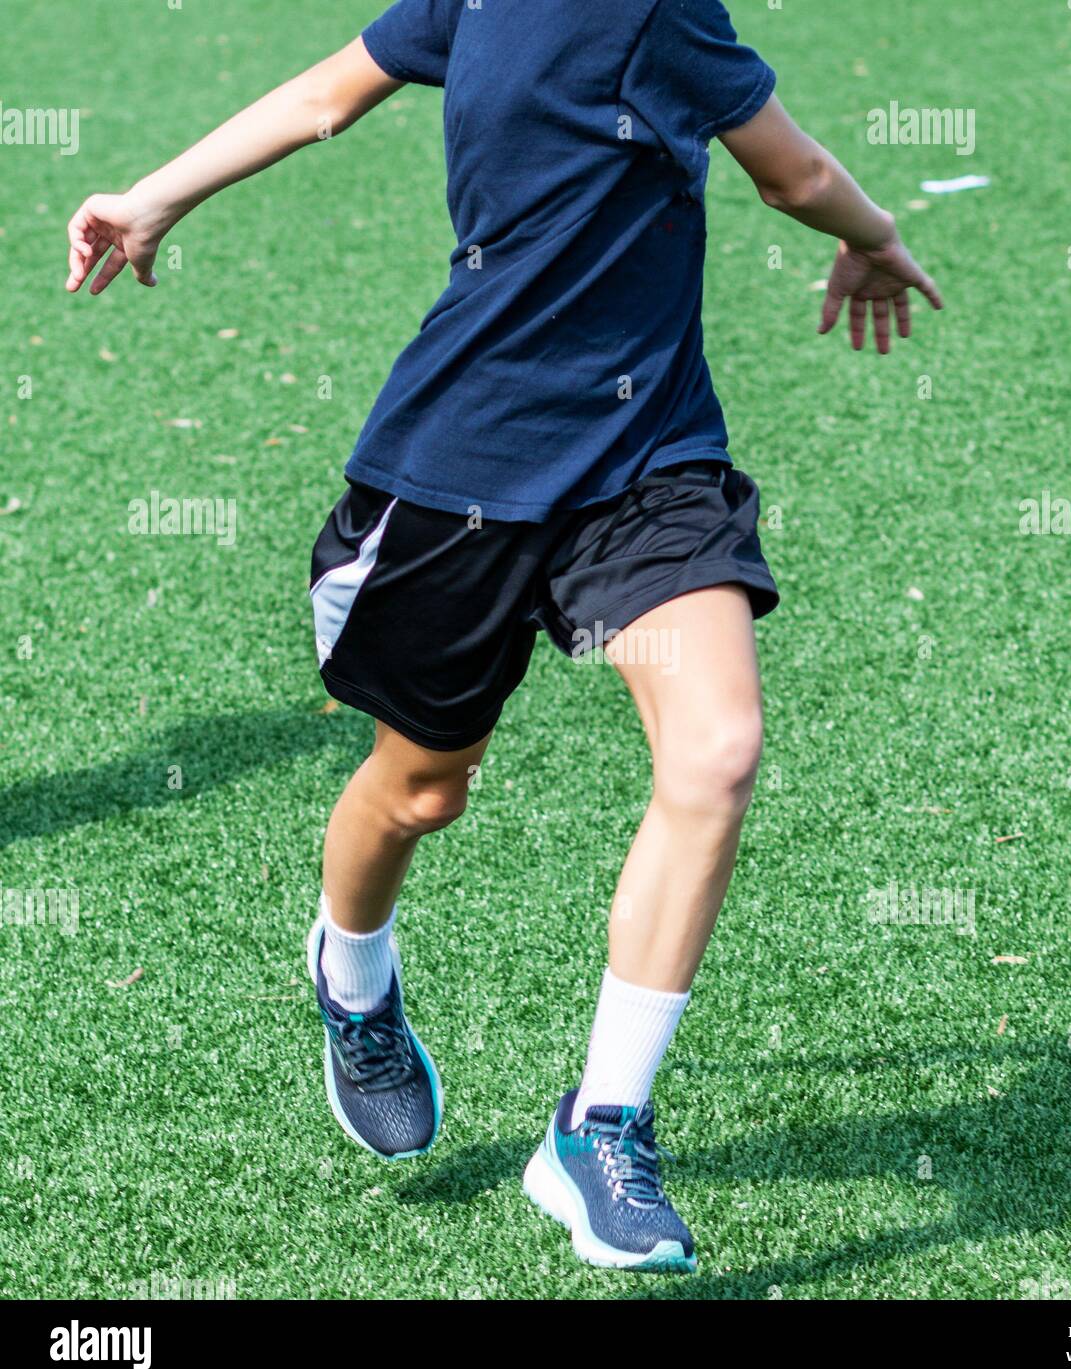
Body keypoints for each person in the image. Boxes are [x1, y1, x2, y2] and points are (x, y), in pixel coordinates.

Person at [66, 0, 941, 1273]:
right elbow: (792, 171)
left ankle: (601, 1127)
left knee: (717, 750)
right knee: (422, 788)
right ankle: (352, 969)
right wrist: (876, 234)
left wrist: (150, 195)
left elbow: (324, 96)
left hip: (649, 465)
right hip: (459, 465)